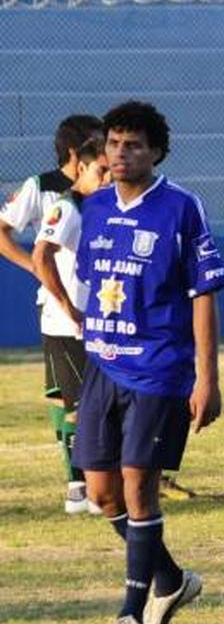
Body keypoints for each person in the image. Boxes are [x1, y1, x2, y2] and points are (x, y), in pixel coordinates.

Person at [73, 101, 224, 624]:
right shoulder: (92, 209)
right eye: (114, 143)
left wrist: (205, 378)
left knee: (140, 487)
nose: (120, 153)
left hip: (159, 370)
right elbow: (94, 283)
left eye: (133, 144)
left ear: (156, 151)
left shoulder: (181, 208)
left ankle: (130, 615)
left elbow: (203, 294)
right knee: (102, 493)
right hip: (102, 368)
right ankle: (170, 578)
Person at [0, 113, 103, 501]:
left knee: (93, 391)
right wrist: (35, 268)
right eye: (98, 142)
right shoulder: (42, 189)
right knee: (69, 394)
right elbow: (3, 231)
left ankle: (99, 476)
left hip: (100, 303)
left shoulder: (104, 190)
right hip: (62, 306)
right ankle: (78, 482)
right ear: (77, 152)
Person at [31, 136, 108, 514]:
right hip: (68, 324)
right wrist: (67, 306)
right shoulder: (66, 208)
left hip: (96, 320)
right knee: (81, 404)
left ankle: (89, 485)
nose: (108, 177)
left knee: (96, 402)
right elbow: (41, 255)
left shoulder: (101, 205)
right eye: (101, 170)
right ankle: (81, 489)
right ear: (82, 167)